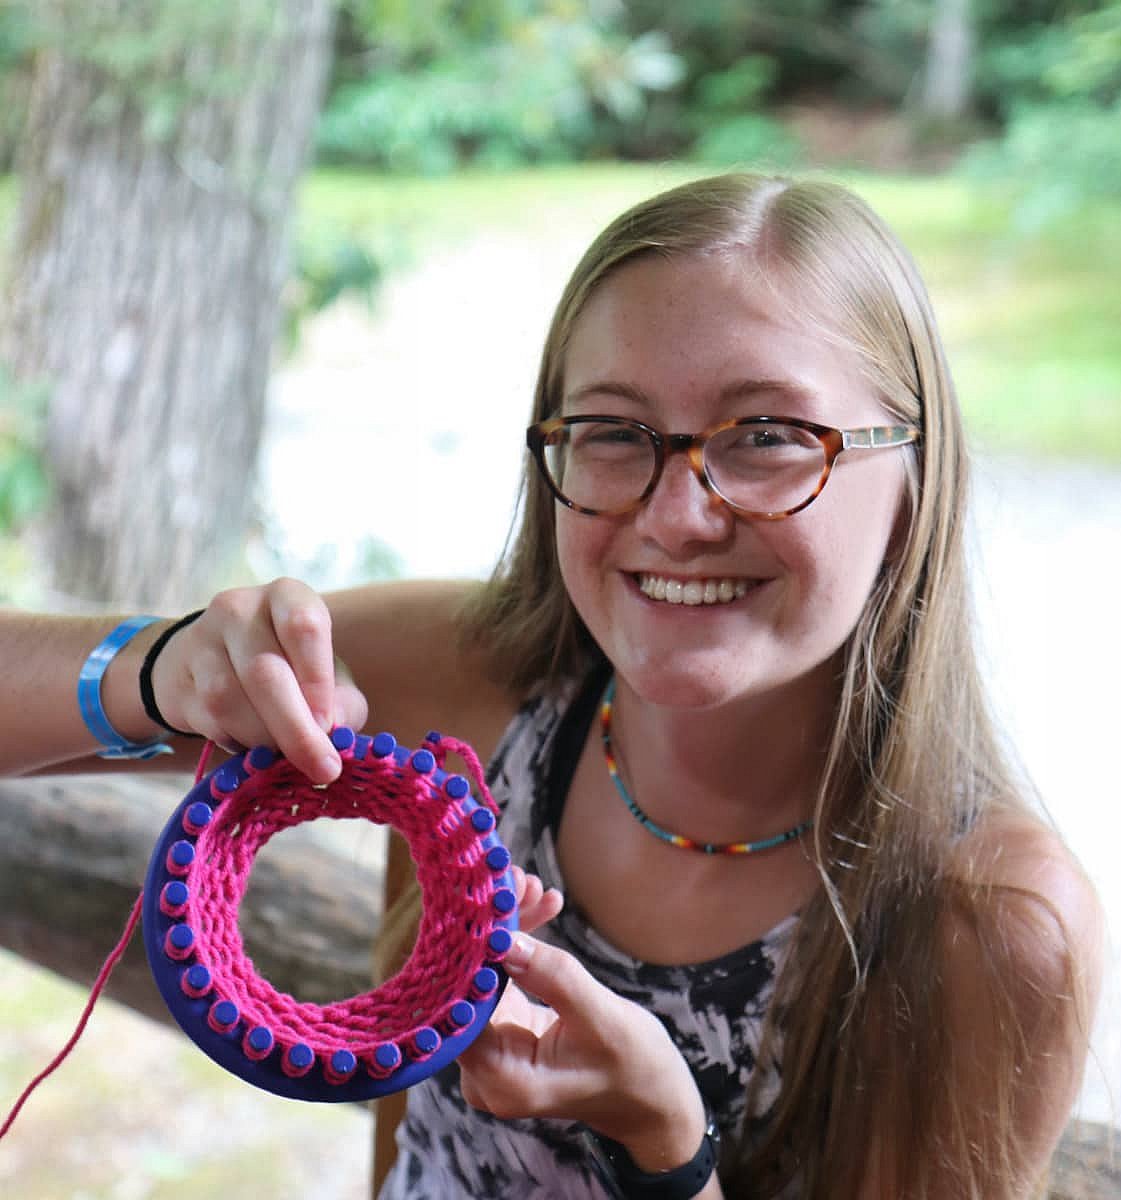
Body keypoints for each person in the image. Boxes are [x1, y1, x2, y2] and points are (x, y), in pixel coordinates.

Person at [1, 172, 1103, 1198]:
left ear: (912, 479)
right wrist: (155, 670)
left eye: (768, 436)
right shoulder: (472, 680)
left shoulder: (987, 920)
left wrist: (669, 1147)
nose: (675, 516)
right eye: (614, 432)